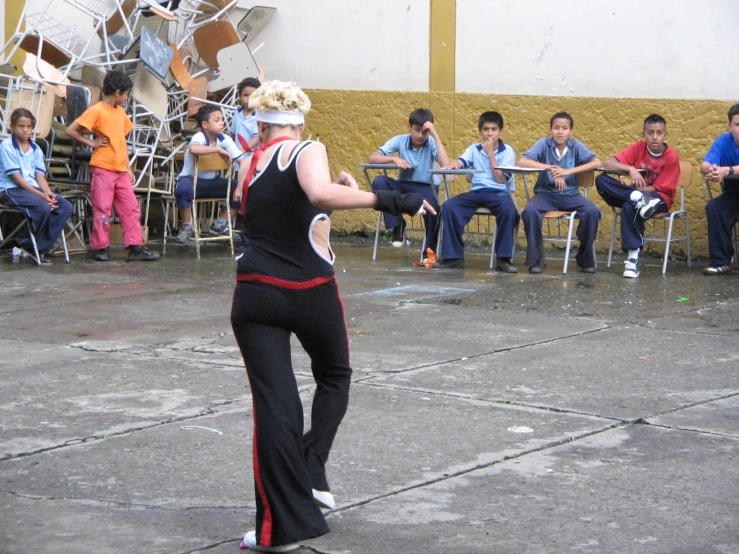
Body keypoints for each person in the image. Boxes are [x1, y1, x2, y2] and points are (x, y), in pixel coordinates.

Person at [231, 80, 434, 552]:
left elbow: (282, 211)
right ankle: (313, 469)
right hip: (310, 291)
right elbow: (318, 197)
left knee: (275, 406)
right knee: (335, 377)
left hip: (255, 294)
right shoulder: (308, 147)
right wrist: (387, 198)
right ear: (300, 122)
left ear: (261, 123)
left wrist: (339, 192)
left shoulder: (248, 162)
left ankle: (280, 526)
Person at [66, 70, 159, 261]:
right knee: (103, 208)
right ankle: (101, 247)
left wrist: (129, 167)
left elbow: (122, 142)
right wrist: (92, 143)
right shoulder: (97, 110)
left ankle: (135, 247)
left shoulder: (121, 113)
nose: (126, 98)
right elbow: (71, 130)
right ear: (117, 92)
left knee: (131, 208)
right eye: (126, 94)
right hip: (103, 167)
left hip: (121, 170)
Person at [596, 114, 680, 278]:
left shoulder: (671, 156)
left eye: (659, 133)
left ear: (666, 135)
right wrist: (630, 170)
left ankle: (632, 260)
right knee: (601, 180)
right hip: (638, 195)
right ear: (643, 134)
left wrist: (636, 188)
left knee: (629, 205)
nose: (654, 137)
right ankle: (635, 197)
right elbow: (607, 164)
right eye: (650, 132)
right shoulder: (638, 148)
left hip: (659, 199)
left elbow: (662, 188)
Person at [518, 112, 602, 273]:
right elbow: (523, 161)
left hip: (571, 195)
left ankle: (584, 260)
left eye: (564, 128)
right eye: (556, 128)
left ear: (571, 131)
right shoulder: (544, 144)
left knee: (592, 212)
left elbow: (597, 162)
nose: (560, 132)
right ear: (551, 129)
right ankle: (535, 260)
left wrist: (568, 171)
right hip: (545, 194)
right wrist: (550, 168)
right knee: (529, 211)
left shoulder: (575, 145)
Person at [434, 111, 519, 271]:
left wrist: (490, 154)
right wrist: (453, 165)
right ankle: (453, 257)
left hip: (500, 193)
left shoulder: (508, 151)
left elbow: (500, 179)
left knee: (509, 210)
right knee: (450, 206)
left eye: (494, 129)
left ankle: (504, 259)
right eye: (486, 129)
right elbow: (461, 162)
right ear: (480, 131)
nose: (490, 133)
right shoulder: (474, 148)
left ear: (501, 131)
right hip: (477, 192)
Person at [367, 108, 449, 257]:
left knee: (434, 209)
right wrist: (393, 159)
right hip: (403, 185)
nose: (420, 135)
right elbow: (373, 158)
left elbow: (445, 165)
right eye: (417, 130)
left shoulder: (431, 142)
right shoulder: (400, 140)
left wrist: (435, 135)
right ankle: (397, 226)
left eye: (424, 131)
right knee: (379, 182)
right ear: (409, 127)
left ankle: (430, 254)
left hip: (426, 187)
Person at [0, 108, 73, 264]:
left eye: (28, 126)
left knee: (64, 206)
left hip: (32, 190)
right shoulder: (7, 146)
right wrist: (41, 196)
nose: (25, 130)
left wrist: (48, 194)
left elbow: (40, 176)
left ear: (33, 127)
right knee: (42, 207)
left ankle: (40, 246)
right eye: (21, 126)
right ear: (12, 127)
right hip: (11, 189)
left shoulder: (35, 149)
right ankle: (26, 242)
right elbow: (16, 177)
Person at [174, 105, 249, 243]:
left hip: (213, 182)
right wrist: (217, 150)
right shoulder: (199, 136)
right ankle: (186, 226)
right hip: (191, 180)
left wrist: (239, 187)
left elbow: (243, 162)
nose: (222, 122)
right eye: (217, 120)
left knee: (244, 188)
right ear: (205, 124)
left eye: (222, 119)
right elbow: (193, 148)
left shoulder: (224, 139)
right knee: (183, 189)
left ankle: (220, 224)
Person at [699, 103, 739, 275]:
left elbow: (730, 170)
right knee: (714, 208)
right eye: (738, 124)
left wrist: (728, 170)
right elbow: (704, 165)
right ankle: (723, 261)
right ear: (730, 126)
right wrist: (713, 170)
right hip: (734, 194)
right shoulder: (723, 141)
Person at [232, 77, 261, 155]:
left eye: (253, 96)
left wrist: (240, 152)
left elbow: (257, 138)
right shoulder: (237, 113)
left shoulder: (259, 116)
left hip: (252, 159)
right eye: (246, 95)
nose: (249, 99)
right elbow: (232, 133)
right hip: (237, 159)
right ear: (240, 96)